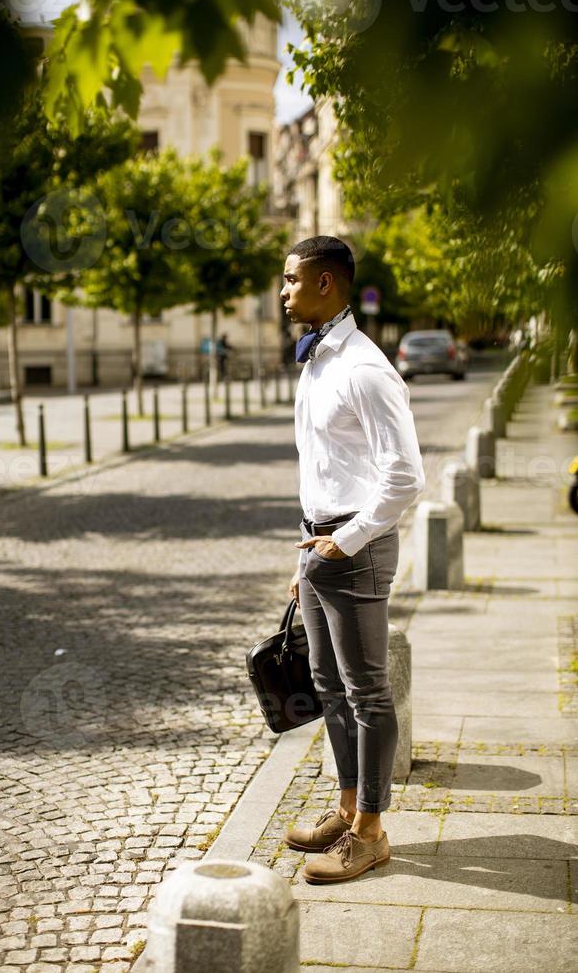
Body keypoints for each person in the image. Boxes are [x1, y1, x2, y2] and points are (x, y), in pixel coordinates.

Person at [281, 235, 425, 885]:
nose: (283, 292)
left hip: (355, 548)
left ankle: (371, 831)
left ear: (325, 285)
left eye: (291, 280)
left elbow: (406, 476)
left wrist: (349, 538)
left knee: (367, 692)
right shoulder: (318, 360)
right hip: (321, 544)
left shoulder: (363, 367)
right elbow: (324, 466)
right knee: (329, 685)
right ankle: (346, 806)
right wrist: (307, 552)